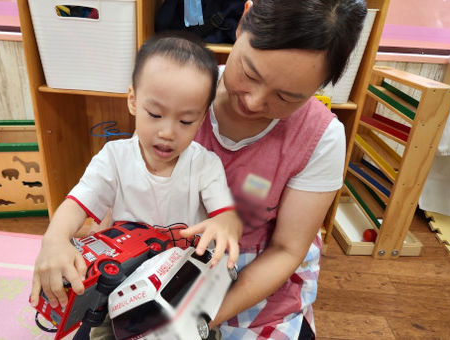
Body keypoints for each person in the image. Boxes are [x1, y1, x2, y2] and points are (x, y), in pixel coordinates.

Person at [176, 0, 368, 339]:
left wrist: (203, 317)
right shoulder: (178, 91)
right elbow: (121, 178)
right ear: (243, 19)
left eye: (286, 97)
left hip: (256, 275)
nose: (252, 102)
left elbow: (287, 249)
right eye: (249, 73)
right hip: (170, 251)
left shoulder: (320, 136)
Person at [29, 35, 243, 338]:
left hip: (180, 280)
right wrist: (54, 239)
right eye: (154, 115)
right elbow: (77, 203)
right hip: (123, 278)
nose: (167, 132)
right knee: (99, 329)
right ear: (133, 100)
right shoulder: (114, 158)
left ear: (202, 119)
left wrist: (225, 225)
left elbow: (227, 216)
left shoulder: (205, 164)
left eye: (186, 121)